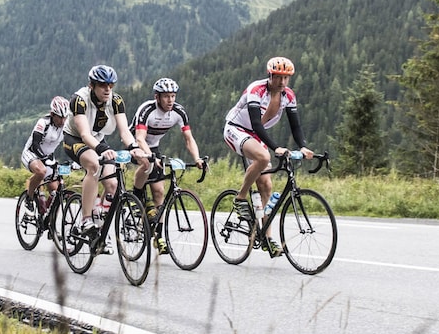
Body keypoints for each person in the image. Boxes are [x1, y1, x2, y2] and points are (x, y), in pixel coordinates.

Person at [222, 56, 314, 257]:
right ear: (270, 75)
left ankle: (265, 237)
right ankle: (240, 198)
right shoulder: (256, 90)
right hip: (236, 129)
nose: (282, 82)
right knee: (263, 157)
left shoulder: (288, 96)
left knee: (267, 187)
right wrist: (275, 147)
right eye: (278, 77)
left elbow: (295, 126)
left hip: (255, 136)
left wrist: (304, 147)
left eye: (286, 78)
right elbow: (256, 124)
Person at [62, 65, 149, 254]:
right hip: (75, 139)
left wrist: (134, 148)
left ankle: (100, 225)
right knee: (94, 165)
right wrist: (103, 150)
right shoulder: (79, 100)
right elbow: (84, 134)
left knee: (112, 185)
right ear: (92, 85)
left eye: (111, 85)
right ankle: (86, 219)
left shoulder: (116, 101)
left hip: (99, 140)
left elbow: (125, 131)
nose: (108, 89)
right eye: (103, 85)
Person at [132, 78, 205, 255]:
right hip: (135, 143)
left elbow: (188, 138)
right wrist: (149, 155)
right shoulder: (147, 109)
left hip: (154, 146)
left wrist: (197, 158)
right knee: (146, 162)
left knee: (159, 192)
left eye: (173, 96)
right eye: (166, 97)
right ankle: (136, 196)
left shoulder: (178, 111)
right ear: (157, 97)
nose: (170, 100)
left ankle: (159, 235)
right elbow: (140, 138)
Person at [20, 96, 70, 214]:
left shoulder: (66, 125)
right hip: (32, 153)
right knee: (41, 171)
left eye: (65, 117)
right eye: (59, 118)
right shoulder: (43, 123)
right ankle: (29, 197)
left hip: (48, 156)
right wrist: (44, 159)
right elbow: (36, 144)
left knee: (57, 190)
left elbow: (71, 144)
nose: (62, 121)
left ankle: (48, 219)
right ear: (52, 114)